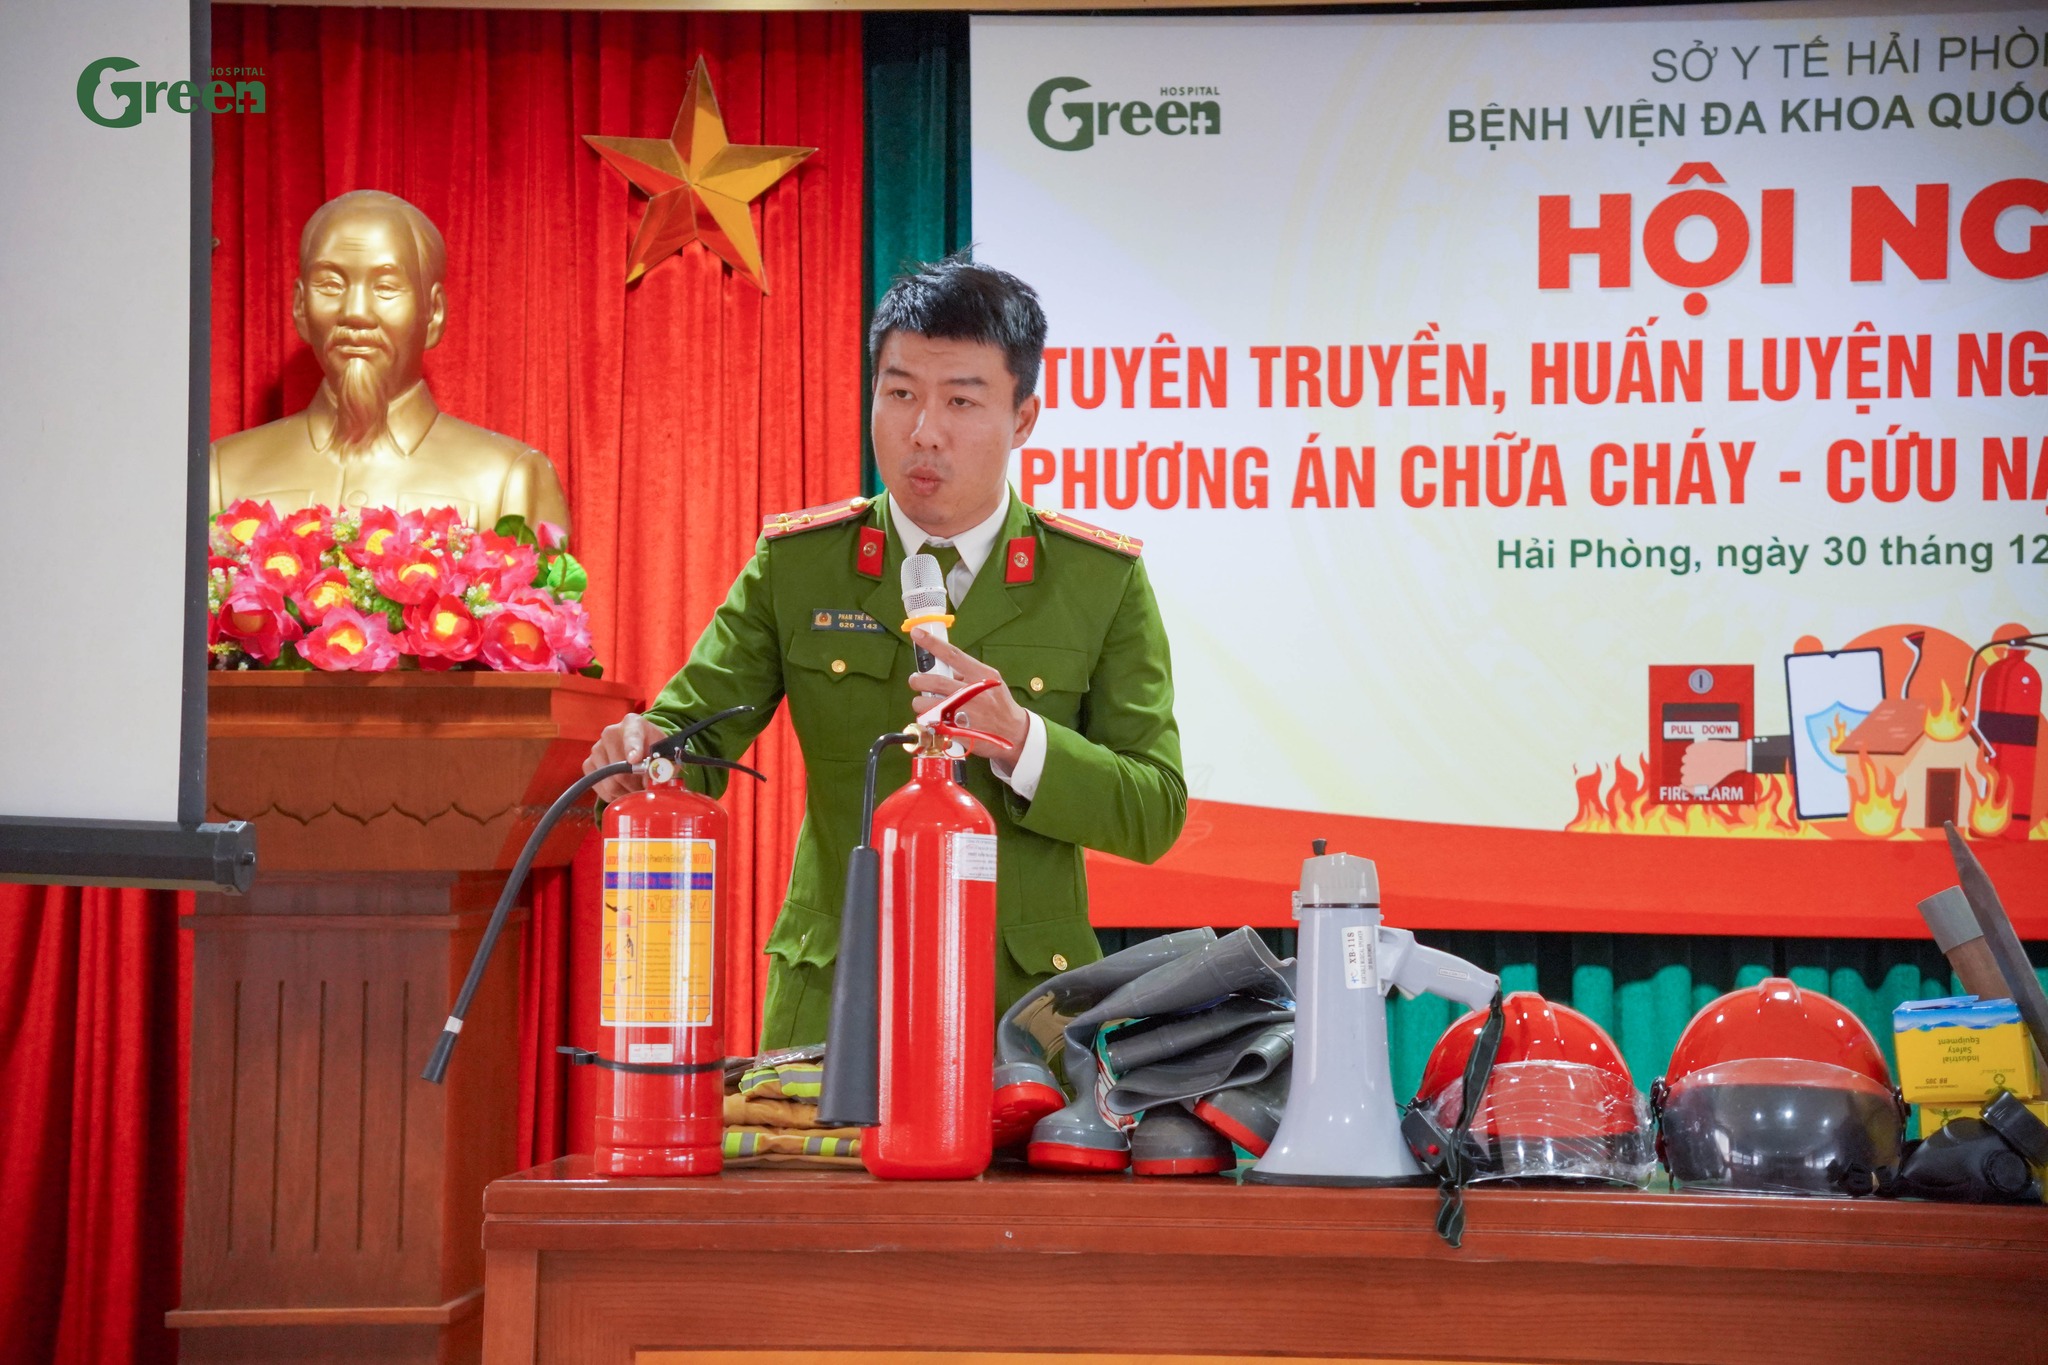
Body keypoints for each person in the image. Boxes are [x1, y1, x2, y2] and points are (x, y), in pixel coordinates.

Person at [585, 255, 1186, 1048]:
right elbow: (691, 736)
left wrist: (1023, 740)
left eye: (961, 400)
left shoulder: (1097, 580)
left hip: (1019, 1014)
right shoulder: (801, 564)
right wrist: (643, 753)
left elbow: (1154, 809)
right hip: (836, 995)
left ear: (1024, 419)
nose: (923, 431)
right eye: (900, 393)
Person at [210, 189, 570, 530]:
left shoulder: (509, 480)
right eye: (331, 285)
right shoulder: (223, 474)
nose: (355, 312)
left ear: (434, 313)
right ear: (300, 306)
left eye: (385, 287)